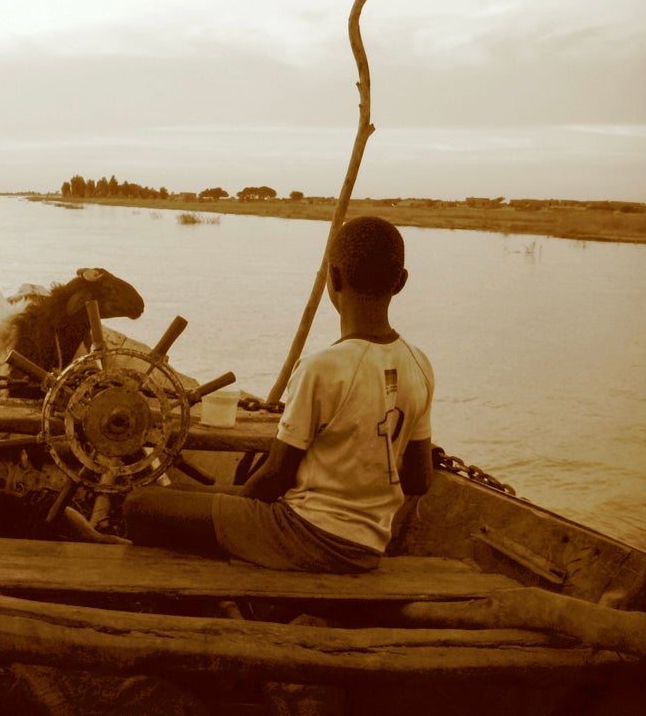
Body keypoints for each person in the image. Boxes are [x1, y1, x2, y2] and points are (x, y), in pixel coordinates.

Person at [123, 216, 434, 572]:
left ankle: (203, 584)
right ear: (401, 282)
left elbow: (274, 479)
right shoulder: (420, 364)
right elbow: (419, 480)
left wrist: (239, 510)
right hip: (368, 546)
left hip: (305, 535)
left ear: (333, 277)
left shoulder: (322, 367)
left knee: (140, 503)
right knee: (176, 496)